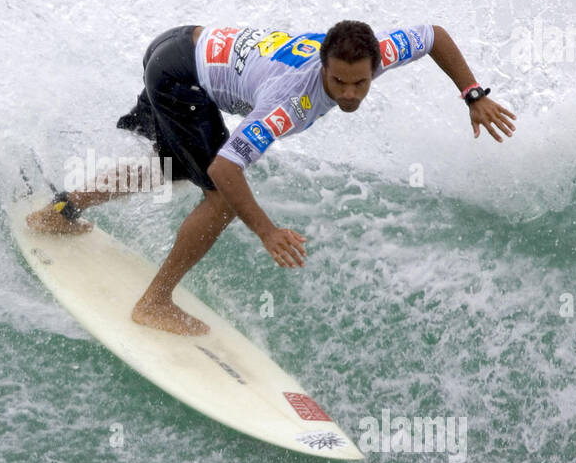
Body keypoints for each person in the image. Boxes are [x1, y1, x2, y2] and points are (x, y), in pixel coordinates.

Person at [26, 20, 516, 335]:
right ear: (323, 63)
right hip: (179, 78)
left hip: (179, 42)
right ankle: (154, 303)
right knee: (218, 199)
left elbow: (434, 35)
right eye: (338, 81)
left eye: (360, 82)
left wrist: (473, 94)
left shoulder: (380, 51)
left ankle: (62, 211)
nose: (348, 94)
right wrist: (267, 230)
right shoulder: (291, 102)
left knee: (174, 166)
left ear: (376, 65)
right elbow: (226, 167)